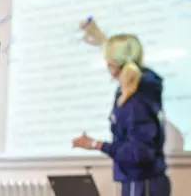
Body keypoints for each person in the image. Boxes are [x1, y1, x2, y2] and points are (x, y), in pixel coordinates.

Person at [72, 19, 171, 196]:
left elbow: (138, 153)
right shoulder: (143, 86)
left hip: (141, 183)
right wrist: (100, 38)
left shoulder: (135, 100)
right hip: (143, 181)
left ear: (111, 63)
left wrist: (96, 144)